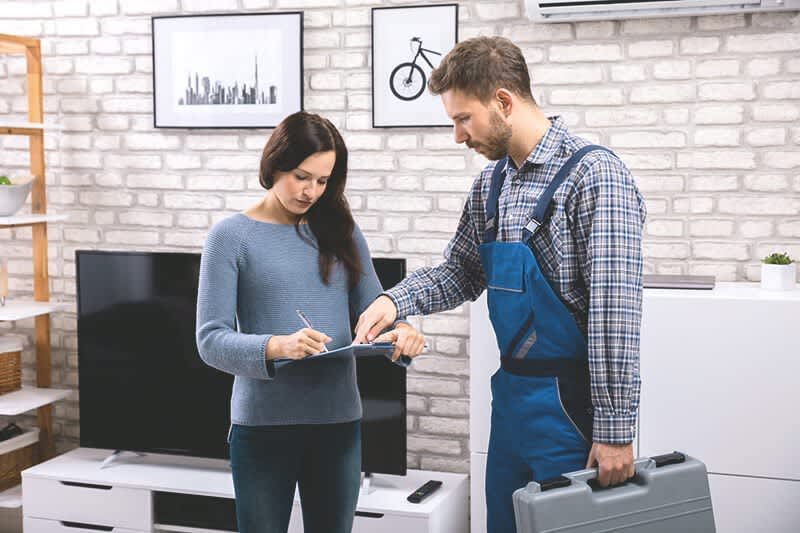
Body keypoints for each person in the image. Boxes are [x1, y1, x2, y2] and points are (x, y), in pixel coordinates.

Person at [354, 37, 646, 533]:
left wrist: (616, 431)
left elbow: (614, 314)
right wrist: (393, 297)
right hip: (510, 402)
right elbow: (461, 271)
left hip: (572, 410)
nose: (457, 135)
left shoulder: (596, 175)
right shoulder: (491, 185)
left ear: (503, 102)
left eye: (462, 118)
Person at [196, 111, 425, 533]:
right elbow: (210, 340)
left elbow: (376, 307)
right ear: (274, 164)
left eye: (323, 181)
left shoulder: (342, 232)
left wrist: (403, 331)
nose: (311, 191)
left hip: (337, 424)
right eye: (302, 176)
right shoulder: (230, 237)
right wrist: (277, 347)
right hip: (262, 426)